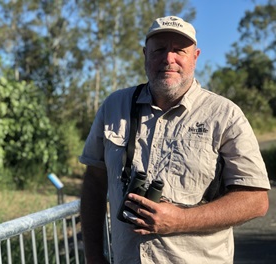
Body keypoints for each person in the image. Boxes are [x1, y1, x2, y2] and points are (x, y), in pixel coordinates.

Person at [79, 15, 270, 264]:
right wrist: (94, 256)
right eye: (159, 50)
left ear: (196, 57)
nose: (169, 59)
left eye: (179, 50)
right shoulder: (114, 106)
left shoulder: (225, 114)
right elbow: (94, 180)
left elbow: (256, 200)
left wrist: (179, 220)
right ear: (145, 54)